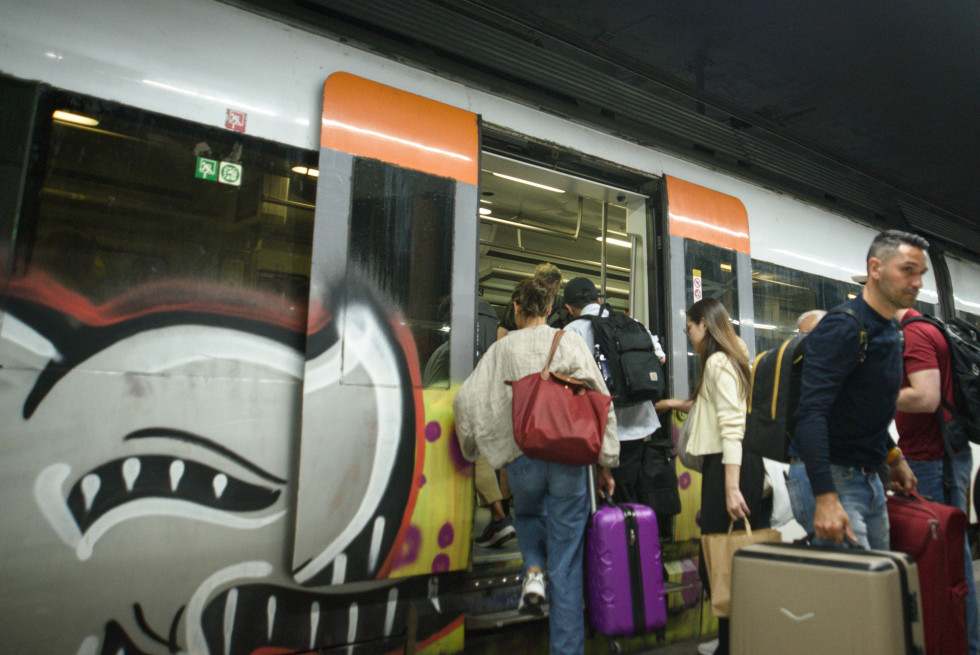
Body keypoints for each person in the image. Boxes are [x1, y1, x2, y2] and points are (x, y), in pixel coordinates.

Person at [453, 277, 618, 655]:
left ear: (515, 309)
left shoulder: (501, 349)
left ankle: (532, 570)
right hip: (568, 462)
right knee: (567, 560)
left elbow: (466, 401)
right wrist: (607, 462)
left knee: (527, 518)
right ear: (548, 309)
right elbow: (601, 399)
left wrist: (470, 449)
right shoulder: (569, 340)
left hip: (522, 459)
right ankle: (566, 649)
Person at [787, 230, 923, 549]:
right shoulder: (844, 327)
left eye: (920, 274)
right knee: (853, 595)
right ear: (875, 269)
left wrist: (894, 457)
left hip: (870, 479)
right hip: (834, 481)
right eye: (907, 270)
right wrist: (825, 497)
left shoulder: (890, 331)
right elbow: (811, 414)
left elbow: (864, 408)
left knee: (879, 589)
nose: (917, 282)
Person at [655, 297, 763, 655]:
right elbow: (711, 405)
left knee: (719, 561)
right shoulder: (734, 356)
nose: (689, 336)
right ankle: (734, 641)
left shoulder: (718, 361)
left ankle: (731, 645)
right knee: (730, 560)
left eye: (690, 329)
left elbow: (732, 424)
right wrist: (674, 404)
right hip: (738, 464)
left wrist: (730, 486)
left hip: (729, 468)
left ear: (704, 324)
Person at [895, 304, 980, 654]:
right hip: (941, 456)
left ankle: (966, 645)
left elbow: (926, 398)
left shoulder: (914, 334)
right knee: (950, 556)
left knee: (949, 559)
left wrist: (871, 395)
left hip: (933, 460)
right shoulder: (927, 328)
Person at [562, 277, 676, 528]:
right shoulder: (633, 323)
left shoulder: (572, 331)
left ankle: (613, 555)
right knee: (631, 500)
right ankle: (637, 551)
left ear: (569, 308)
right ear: (598, 299)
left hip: (598, 433)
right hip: (639, 428)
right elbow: (661, 358)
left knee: (601, 506)